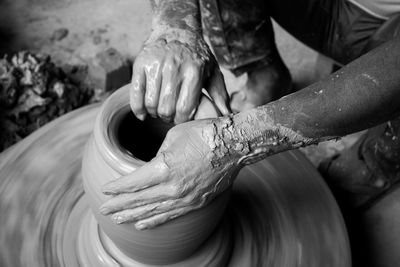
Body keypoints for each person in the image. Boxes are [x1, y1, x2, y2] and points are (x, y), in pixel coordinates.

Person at [99, 0, 400, 230]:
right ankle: (264, 74)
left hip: (388, 31)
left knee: (332, 194)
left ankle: (380, 159)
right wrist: (176, 28)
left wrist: (232, 142)